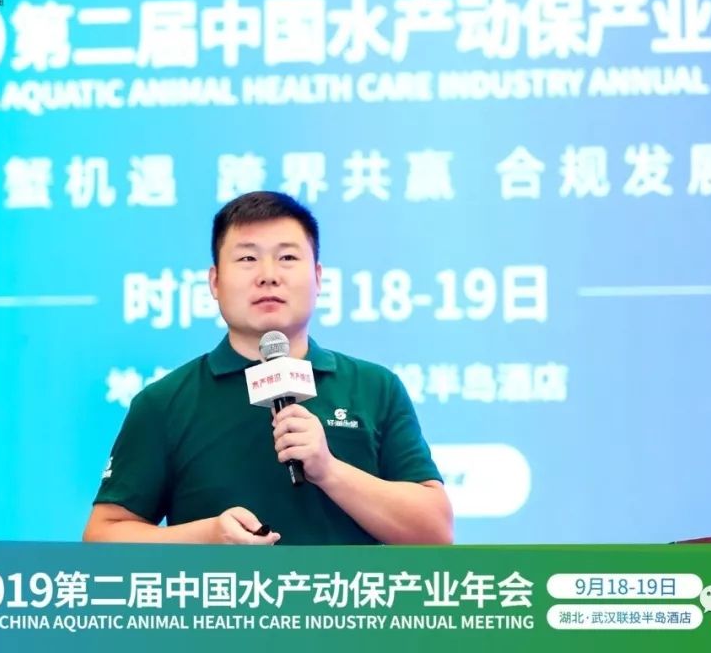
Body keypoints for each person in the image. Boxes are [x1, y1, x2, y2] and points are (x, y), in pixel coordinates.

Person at [83, 191, 452, 545]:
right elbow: (103, 538)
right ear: (215, 281)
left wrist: (329, 470)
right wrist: (205, 537)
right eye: (247, 258)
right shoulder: (164, 402)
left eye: (287, 257)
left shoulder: (374, 387)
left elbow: (435, 532)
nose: (268, 275)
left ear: (318, 277)